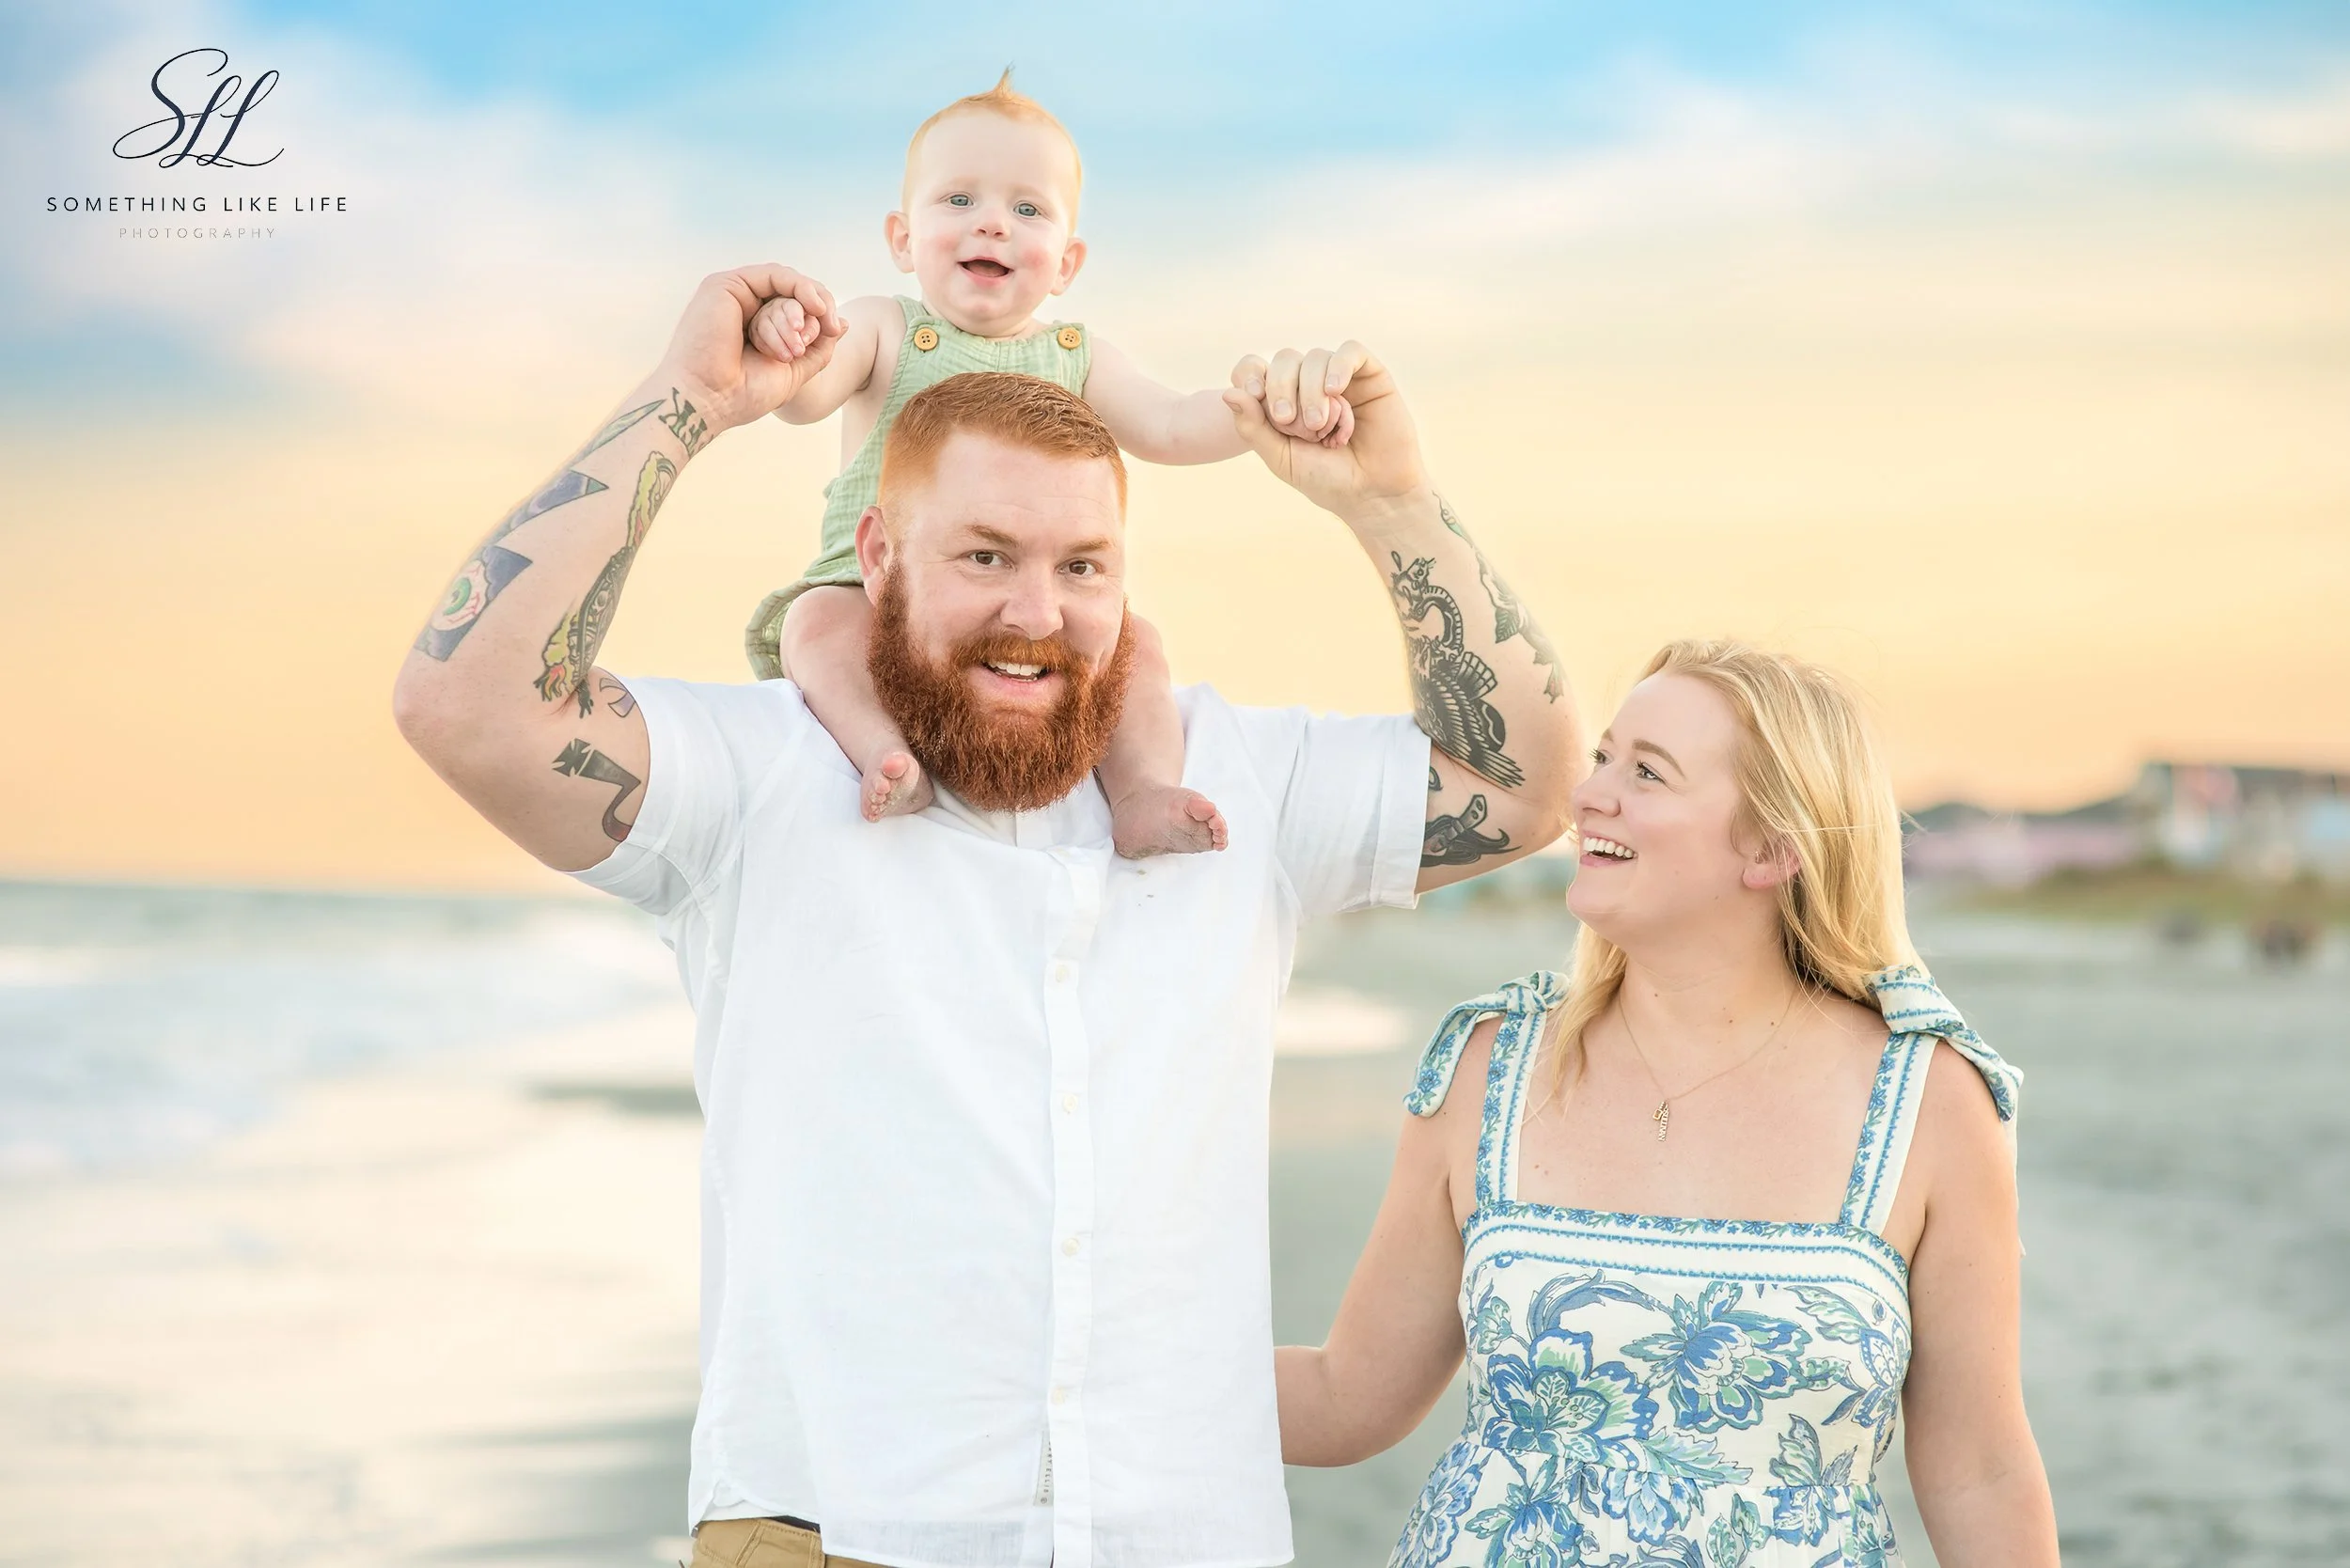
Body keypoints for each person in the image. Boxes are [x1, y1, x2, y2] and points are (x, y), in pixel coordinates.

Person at [391, 260, 1580, 1568]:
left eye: (1084, 565)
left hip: (1183, 1537)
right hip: (834, 1528)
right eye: (986, 557)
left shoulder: (1233, 785)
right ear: (877, 555)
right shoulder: (758, 779)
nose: (1037, 614)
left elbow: (1519, 787)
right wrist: (689, 401)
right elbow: (470, 706)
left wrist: (1389, 501)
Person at [1275, 642, 2060, 1566]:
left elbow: (1978, 1470)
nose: (1589, 794)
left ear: (1772, 848)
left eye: (1645, 772)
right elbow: (1346, 1396)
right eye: (1604, 758)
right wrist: (1082, 1364)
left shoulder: (1929, 1099)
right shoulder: (1492, 1064)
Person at [739, 71, 1352, 858]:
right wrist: (789, 342)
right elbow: (804, 396)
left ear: (1065, 262)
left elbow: (1168, 425)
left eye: (1026, 210)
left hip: (1023, 598)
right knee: (813, 625)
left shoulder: (1075, 355)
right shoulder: (884, 328)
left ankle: (1140, 793)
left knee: (1143, 648)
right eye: (959, 201)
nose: (991, 225)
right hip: (867, 589)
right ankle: (883, 751)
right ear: (902, 239)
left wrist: (1268, 412)